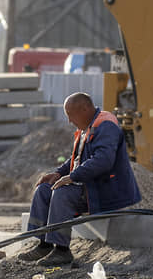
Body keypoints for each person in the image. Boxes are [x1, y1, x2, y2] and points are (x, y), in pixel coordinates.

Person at [18, 92, 141, 266]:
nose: (69, 121)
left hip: (106, 191)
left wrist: (72, 177)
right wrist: (59, 173)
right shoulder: (87, 128)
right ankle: (44, 244)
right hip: (89, 187)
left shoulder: (106, 125)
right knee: (44, 189)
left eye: (70, 115)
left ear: (85, 109)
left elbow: (103, 160)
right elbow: (77, 158)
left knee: (62, 193)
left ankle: (62, 251)